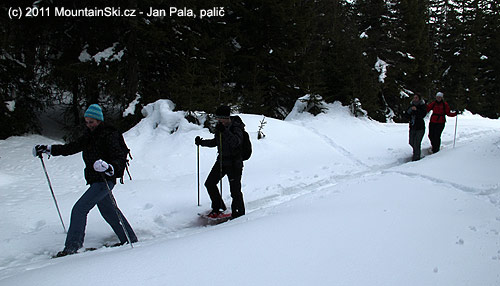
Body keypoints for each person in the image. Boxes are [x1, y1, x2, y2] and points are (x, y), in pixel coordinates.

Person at [33, 104, 137, 257]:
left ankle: (72, 247)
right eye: (87, 122)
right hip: (96, 180)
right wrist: (49, 149)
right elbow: (71, 148)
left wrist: (109, 167)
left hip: (105, 180)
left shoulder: (110, 134)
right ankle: (129, 238)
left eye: (92, 122)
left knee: (79, 209)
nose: (89, 125)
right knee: (109, 211)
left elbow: (119, 156)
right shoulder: (90, 135)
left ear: (99, 120)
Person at [195, 105, 245, 219]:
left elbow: (236, 142)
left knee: (235, 191)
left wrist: (225, 131)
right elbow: (216, 142)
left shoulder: (236, 127)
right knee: (209, 183)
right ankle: (218, 207)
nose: (218, 120)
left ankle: (239, 214)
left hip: (234, 163)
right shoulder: (220, 127)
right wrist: (201, 142)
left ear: (226, 117)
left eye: (219, 118)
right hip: (222, 161)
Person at [407, 93, 427, 161]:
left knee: (417, 143)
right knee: (411, 142)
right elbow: (406, 115)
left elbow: (422, 115)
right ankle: (416, 153)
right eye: (414, 98)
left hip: (420, 127)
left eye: (416, 98)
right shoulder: (411, 105)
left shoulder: (422, 106)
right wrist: (409, 111)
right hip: (412, 126)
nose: (415, 99)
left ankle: (416, 158)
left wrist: (416, 110)